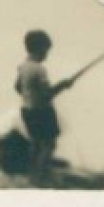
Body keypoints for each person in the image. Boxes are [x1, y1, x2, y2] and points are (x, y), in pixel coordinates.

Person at [15, 29, 74, 180]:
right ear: (39, 49)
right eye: (46, 51)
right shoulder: (40, 69)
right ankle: (40, 174)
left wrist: (29, 94)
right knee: (49, 143)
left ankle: (31, 169)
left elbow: (17, 87)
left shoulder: (23, 66)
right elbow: (47, 94)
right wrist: (63, 85)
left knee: (35, 141)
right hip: (42, 112)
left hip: (27, 110)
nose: (46, 55)